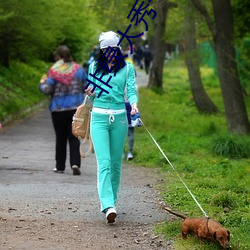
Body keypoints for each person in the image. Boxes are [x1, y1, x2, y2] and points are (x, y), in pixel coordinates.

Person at [85, 31, 138, 223]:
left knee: (116, 164)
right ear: (101, 50)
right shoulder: (94, 67)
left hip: (120, 118)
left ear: (118, 50)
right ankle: (107, 205)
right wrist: (90, 93)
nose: (109, 53)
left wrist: (133, 104)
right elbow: (91, 96)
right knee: (104, 163)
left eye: (112, 49)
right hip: (98, 117)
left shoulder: (127, 69)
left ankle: (112, 201)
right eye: (105, 49)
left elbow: (131, 90)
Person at [39, 45, 87, 175]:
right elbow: (86, 87)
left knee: (60, 138)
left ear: (58, 57)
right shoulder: (79, 70)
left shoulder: (54, 71)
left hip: (58, 109)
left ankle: (60, 167)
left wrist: (42, 83)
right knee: (74, 136)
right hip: (75, 109)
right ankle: (75, 163)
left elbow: (47, 90)